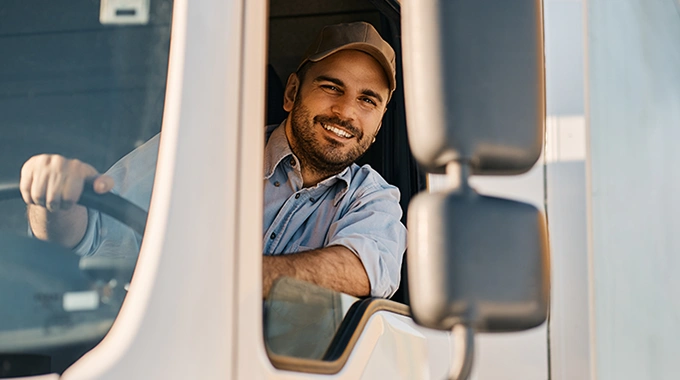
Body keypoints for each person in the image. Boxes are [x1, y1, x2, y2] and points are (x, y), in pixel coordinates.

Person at [20, 22, 406, 299]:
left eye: (367, 100)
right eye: (330, 87)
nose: (345, 112)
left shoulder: (373, 198)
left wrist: (213, 280)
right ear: (291, 93)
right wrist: (52, 199)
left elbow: (363, 270)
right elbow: (89, 234)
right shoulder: (199, 148)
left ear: (378, 124)